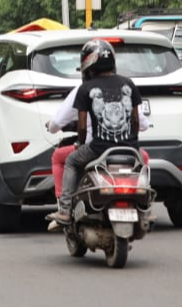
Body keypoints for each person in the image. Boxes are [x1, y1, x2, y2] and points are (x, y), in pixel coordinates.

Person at [47, 38, 142, 226]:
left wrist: (80, 145)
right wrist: (132, 141)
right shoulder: (129, 84)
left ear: (88, 63)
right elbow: (136, 120)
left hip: (99, 149)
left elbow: (82, 127)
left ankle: (65, 210)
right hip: (130, 148)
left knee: (72, 161)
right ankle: (143, 208)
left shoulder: (86, 89)